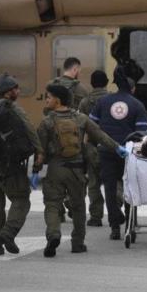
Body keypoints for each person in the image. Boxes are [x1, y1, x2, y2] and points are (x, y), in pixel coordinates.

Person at [34, 84, 122, 257]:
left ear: (57, 100)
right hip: (76, 170)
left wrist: (35, 171)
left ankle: (53, 234)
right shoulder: (81, 118)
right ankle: (77, 243)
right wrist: (118, 148)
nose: (46, 100)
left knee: (52, 204)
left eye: (49, 97)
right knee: (79, 207)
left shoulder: (47, 121)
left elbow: (40, 151)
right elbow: (100, 135)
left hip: (56, 169)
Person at [0, 73, 43, 256]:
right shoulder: (12, 109)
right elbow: (30, 131)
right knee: (22, 199)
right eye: (16, 89)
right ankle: (8, 233)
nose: (18, 92)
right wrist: (39, 152)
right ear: (8, 93)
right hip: (9, 166)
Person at [90, 67, 147, 240]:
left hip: (106, 152)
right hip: (129, 154)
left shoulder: (102, 102)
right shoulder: (137, 105)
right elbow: (142, 134)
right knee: (131, 189)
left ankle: (115, 228)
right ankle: (130, 227)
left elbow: (92, 127)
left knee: (109, 188)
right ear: (132, 88)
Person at [48, 57, 90, 222]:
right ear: (75, 69)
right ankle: (73, 204)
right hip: (74, 137)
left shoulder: (51, 85)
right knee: (77, 175)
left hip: (54, 135)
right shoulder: (81, 89)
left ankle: (58, 210)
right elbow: (86, 114)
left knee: (55, 176)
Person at [78, 70, 110, 227]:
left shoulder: (85, 102)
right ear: (107, 82)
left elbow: (80, 126)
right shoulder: (112, 99)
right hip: (110, 145)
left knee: (94, 182)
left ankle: (96, 217)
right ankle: (117, 206)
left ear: (91, 83)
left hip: (91, 146)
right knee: (114, 178)